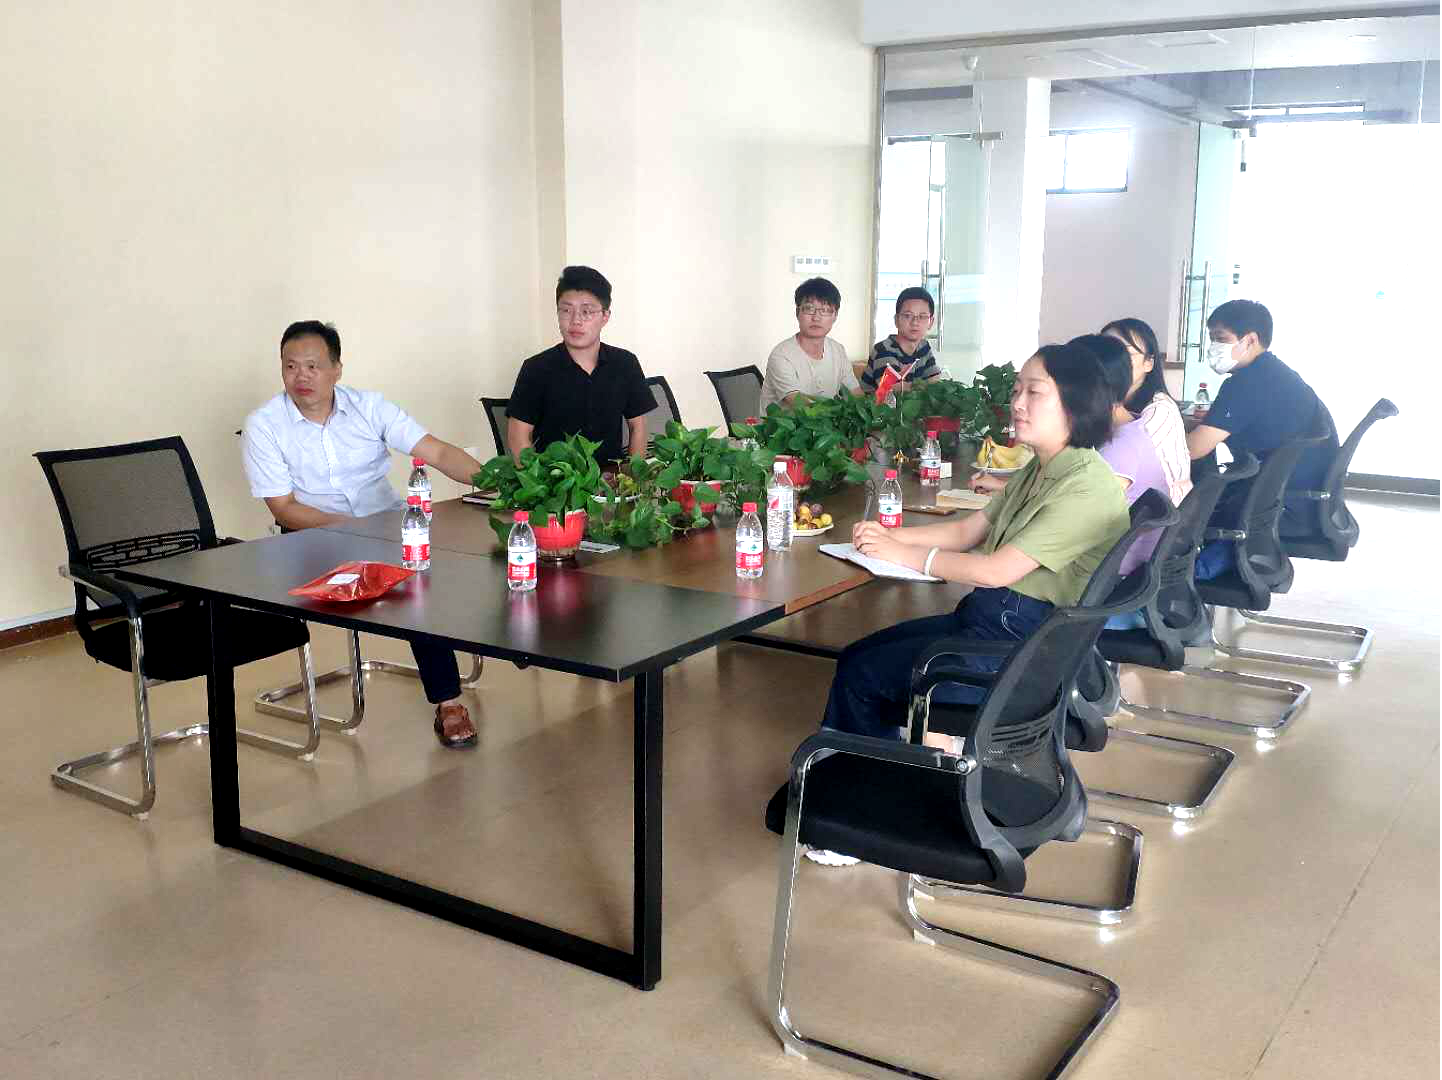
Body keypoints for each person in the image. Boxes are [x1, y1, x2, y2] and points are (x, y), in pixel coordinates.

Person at [823, 342, 1127, 757]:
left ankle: (864, 777)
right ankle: (882, 764)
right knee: (856, 655)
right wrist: (891, 536)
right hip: (995, 621)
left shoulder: (1086, 486)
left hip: (1022, 645)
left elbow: (994, 571)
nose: (1017, 403)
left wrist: (901, 554)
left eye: (1034, 392)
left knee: (863, 674)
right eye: (1016, 389)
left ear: (1077, 403)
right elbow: (969, 530)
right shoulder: (1044, 466)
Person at [241, 320, 485, 749]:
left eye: (313, 366)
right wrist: (355, 531)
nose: (301, 376)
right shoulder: (265, 425)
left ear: (337, 369)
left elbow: (438, 452)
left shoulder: (369, 407)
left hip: (386, 526)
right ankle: (448, 702)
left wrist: (495, 484)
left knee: (466, 554)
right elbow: (284, 508)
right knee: (415, 588)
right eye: (290, 366)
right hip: (312, 539)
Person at [1186, 299, 1338, 579]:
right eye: (1212, 339)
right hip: (1299, 501)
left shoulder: (1247, 383)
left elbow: (1194, 449)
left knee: (1185, 489)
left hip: (1277, 509)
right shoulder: (1274, 373)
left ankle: (1180, 570)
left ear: (1250, 340)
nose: (1213, 347)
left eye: (1221, 339)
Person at [507, 266, 654, 464]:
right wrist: (536, 479)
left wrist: (633, 476)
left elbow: (638, 426)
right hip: (556, 478)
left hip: (612, 479)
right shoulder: (536, 369)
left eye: (586, 312)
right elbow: (518, 436)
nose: (575, 320)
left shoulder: (625, 363)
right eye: (566, 310)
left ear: (605, 316)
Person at [1100, 317, 1191, 507]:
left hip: (1161, 510)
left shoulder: (1158, 410)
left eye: (1124, 354)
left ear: (1149, 363)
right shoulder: (1119, 407)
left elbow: (1115, 473)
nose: (1113, 362)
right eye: (1107, 353)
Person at [759, 277, 862, 411]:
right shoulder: (782, 355)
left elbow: (855, 393)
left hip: (827, 422)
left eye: (825, 310)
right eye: (809, 309)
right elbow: (800, 405)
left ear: (835, 315)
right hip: (787, 424)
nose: (816, 317)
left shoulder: (838, 350)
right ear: (797, 313)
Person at [860, 286, 942, 395]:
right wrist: (925, 385)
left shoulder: (924, 347)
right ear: (896, 320)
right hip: (874, 405)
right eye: (908, 316)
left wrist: (928, 384)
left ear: (931, 322)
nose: (915, 322)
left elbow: (935, 380)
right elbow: (893, 389)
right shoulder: (884, 349)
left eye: (922, 316)